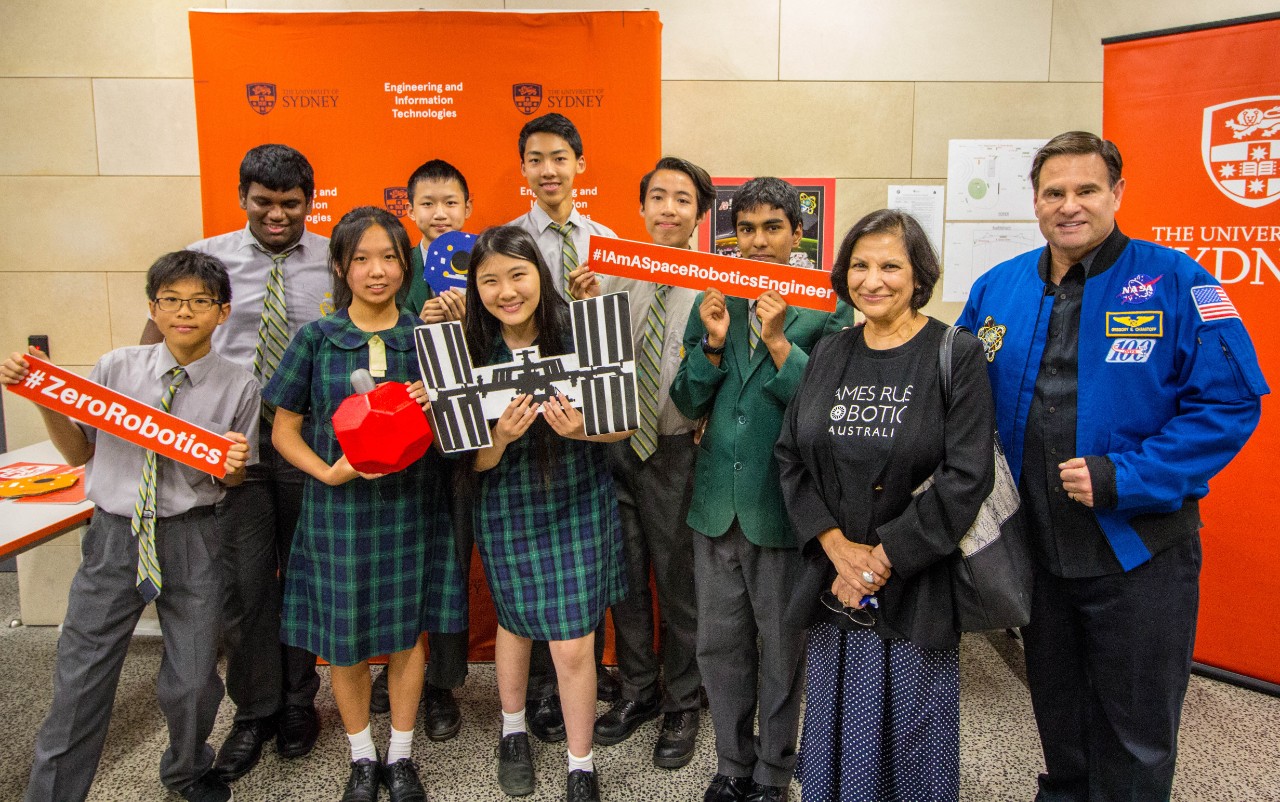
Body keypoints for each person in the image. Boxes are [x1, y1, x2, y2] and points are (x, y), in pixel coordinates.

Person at [957, 131, 1268, 801]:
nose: (1070, 206)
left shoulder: (1180, 281)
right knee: (1058, 713)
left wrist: (1128, 475)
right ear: (1035, 202)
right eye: (1054, 192)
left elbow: (1231, 402)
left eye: (1087, 190)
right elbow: (953, 396)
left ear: (1117, 194)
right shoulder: (997, 288)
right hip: (1036, 553)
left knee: (1136, 728)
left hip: (1140, 554)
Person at [12, 251, 258, 802]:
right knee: (81, 676)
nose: (184, 312)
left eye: (199, 301)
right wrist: (43, 397)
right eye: (171, 300)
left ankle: (189, 771)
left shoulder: (239, 385)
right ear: (153, 307)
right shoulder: (116, 367)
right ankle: (51, 794)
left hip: (193, 536)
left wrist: (236, 467)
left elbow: (233, 482)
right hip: (113, 536)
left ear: (222, 312)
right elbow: (79, 452)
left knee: (194, 680)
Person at [776, 209, 994, 802]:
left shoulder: (956, 353)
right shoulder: (830, 352)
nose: (873, 280)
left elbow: (967, 474)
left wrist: (879, 561)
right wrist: (834, 546)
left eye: (890, 266)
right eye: (860, 265)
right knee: (833, 737)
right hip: (832, 585)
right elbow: (791, 456)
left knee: (910, 743)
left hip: (914, 586)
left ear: (919, 274)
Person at [140, 144, 332, 780]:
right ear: (243, 197)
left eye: (290, 203)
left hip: (307, 446)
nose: (276, 214)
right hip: (229, 451)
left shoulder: (335, 257)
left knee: (304, 579)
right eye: (263, 202)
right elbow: (161, 337)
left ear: (309, 199)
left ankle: (301, 704)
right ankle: (255, 712)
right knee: (246, 588)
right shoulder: (209, 258)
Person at [261, 206, 466, 802]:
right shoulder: (317, 339)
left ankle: (400, 755)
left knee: (407, 636)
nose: (376, 271)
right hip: (338, 512)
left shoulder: (426, 338)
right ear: (341, 267)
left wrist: (441, 403)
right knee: (343, 639)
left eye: (389, 258)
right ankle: (360, 755)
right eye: (361, 259)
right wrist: (328, 473)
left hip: (411, 507)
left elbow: (461, 436)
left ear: (406, 266)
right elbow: (283, 430)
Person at [670, 177, 854, 802]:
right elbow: (688, 399)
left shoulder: (828, 304)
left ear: (796, 233)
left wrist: (778, 342)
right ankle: (732, 762)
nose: (757, 242)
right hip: (715, 506)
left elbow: (826, 409)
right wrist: (715, 344)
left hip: (783, 508)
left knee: (781, 647)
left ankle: (775, 772)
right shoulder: (718, 299)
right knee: (719, 644)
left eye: (771, 228)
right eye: (744, 230)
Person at [462, 226, 630, 802]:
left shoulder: (580, 331)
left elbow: (623, 424)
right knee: (513, 620)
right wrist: (500, 440)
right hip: (507, 499)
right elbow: (471, 462)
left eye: (518, 275)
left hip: (577, 497)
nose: (506, 291)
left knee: (573, 643)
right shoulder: (468, 348)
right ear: (475, 287)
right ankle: (512, 732)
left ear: (540, 274)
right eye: (490, 280)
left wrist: (581, 428)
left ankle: (580, 764)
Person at [567, 156, 712, 767]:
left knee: (678, 583)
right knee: (624, 579)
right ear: (643, 207)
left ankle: (684, 699)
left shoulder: (715, 281)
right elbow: (592, 361)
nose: (669, 210)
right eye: (658, 197)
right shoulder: (616, 273)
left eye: (683, 199)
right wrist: (584, 305)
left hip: (678, 450)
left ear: (700, 214)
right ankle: (637, 690)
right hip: (615, 446)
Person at [506, 112, 620, 741]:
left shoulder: (607, 243)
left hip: (585, 428)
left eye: (559, 157)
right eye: (535, 159)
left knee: (585, 567)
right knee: (529, 574)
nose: (547, 170)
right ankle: (544, 695)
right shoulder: (503, 244)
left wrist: (594, 304)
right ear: (522, 169)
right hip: (520, 433)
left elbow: (616, 343)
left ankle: (584, 679)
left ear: (580, 163)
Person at [365, 158, 473, 741]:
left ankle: (443, 684)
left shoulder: (481, 259)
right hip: (401, 440)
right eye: (426, 203)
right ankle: (392, 670)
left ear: (467, 208)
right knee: (399, 563)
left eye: (449, 202)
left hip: (460, 445)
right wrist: (419, 320)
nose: (439, 213)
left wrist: (464, 320)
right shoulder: (392, 266)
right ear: (410, 209)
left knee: (451, 566)